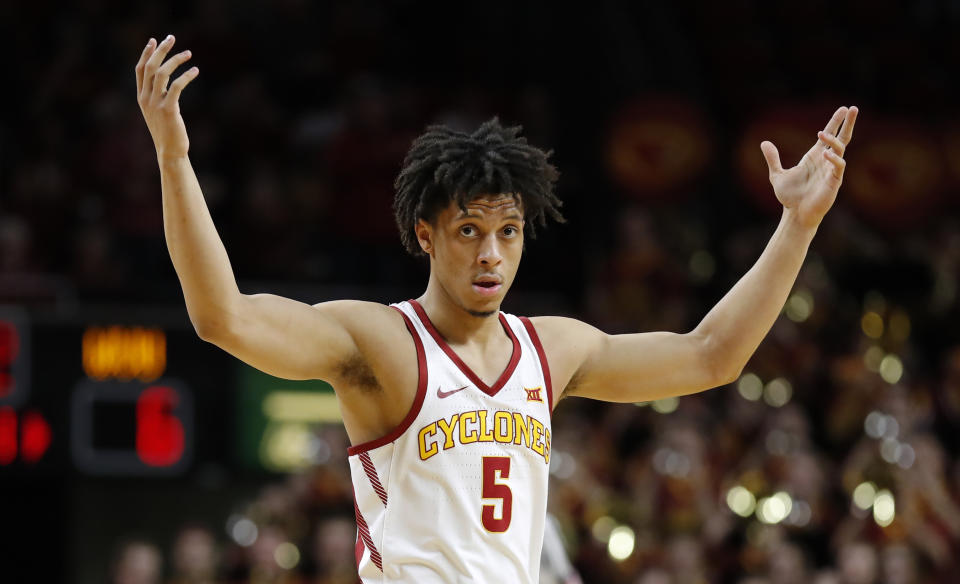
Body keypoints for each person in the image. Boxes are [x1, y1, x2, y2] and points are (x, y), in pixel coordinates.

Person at [135, 34, 858, 583]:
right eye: (469, 232)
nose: (491, 255)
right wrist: (174, 160)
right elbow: (221, 315)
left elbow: (711, 356)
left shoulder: (553, 348)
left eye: (507, 232)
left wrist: (796, 226)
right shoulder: (381, 342)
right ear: (426, 236)